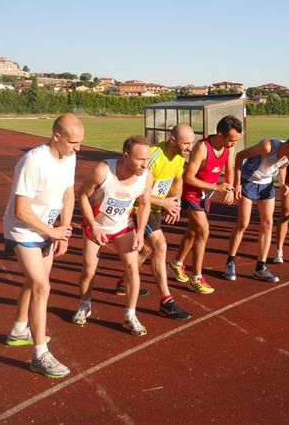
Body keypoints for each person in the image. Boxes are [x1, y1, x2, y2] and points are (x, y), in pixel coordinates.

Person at [3, 114, 84, 378]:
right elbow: (22, 211)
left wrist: (64, 233)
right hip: (23, 229)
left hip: (48, 229)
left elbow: (68, 193)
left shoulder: (69, 157)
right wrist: (52, 231)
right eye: (73, 142)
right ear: (56, 136)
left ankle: (18, 329)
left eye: (80, 142)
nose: (78, 148)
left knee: (34, 281)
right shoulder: (33, 162)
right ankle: (40, 354)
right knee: (41, 285)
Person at [72, 135, 153, 335]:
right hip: (96, 225)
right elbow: (82, 195)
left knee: (132, 267)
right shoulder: (103, 171)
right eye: (141, 159)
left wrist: (141, 232)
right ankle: (84, 303)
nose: (145, 164)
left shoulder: (146, 177)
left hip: (123, 226)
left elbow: (144, 203)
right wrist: (93, 226)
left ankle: (130, 315)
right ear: (126, 156)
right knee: (89, 269)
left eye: (147, 159)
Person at [115, 124, 194, 319]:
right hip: (138, 207)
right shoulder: (153, 156)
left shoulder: (178, 157)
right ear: (173, 140)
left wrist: (175, 202)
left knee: (147, 249)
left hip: (156, 206)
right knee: (160, 245)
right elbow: (134, 191)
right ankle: (167, 301)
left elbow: (178, 180)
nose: (189, 148)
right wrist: (164, 202)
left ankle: (124, 282)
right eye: (186, 143)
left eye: (192, 143)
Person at [168, 116, 242, 294]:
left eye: (236, 141)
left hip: (204, 196)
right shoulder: (202, 148)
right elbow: (189, 177)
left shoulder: (228, 147)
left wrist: (230, 189)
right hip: (191, 193)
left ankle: (176, 263)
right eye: (231, 140)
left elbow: (229, 168)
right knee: (203, 231)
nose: (233, 144)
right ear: (219, 135)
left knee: (193, 233)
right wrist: (217, 187)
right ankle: (196, 277)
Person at [224, 132, 289, 283]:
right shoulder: (267, 146)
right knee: (243, 223)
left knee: (268, 223)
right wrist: (237, 184)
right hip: (248, 181)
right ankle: (230, 261)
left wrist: (282, 183)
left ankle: (260, 268)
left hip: (266, 185)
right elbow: (239, 156)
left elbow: (282, 167)